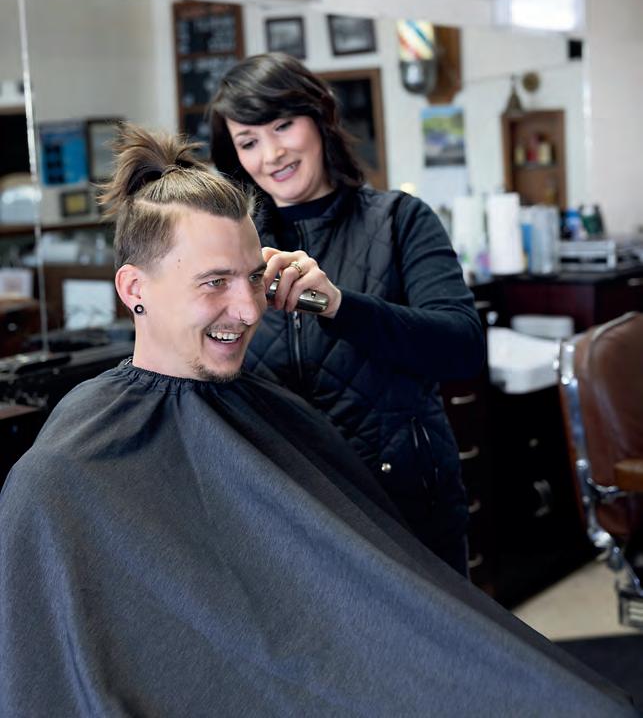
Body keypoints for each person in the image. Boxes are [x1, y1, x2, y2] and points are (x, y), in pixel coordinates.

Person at [0, 124, 636, 717]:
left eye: (254, 278)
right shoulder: (62, 474)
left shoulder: (270, 409)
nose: (249, 309)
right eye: (214, 282)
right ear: (134, 288)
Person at [209, 52, 485, 576]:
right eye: (248, 141)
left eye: (283, 125)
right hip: (288, 514)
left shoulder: (400, 221)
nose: (271, 154)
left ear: (320, 117)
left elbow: (462, 347)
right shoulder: (232, 252)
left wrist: (338, 306)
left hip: (406, 504)